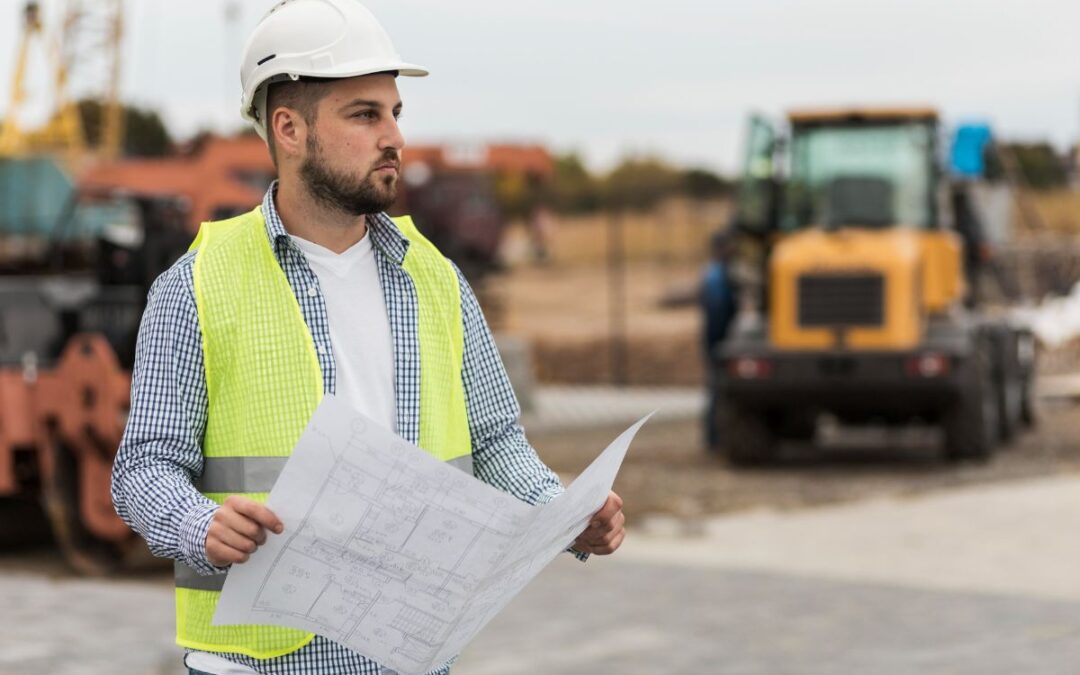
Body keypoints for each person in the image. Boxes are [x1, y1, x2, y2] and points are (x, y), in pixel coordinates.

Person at [110, 2, 625, 674]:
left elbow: (497, 441)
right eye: (365, 114)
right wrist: (196, 524)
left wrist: (563, 514)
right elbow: (142, 466)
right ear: (288, 128)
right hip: (261, 662)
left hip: (412, 653)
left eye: (396, 113)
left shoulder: (437, 279)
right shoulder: (197, 285)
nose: (395, 138)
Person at [700, 229, 739, 453]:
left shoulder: (715, 273)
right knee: (716, 389)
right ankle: (713, 437)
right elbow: (717, 311)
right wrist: (720, 343)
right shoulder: (716, 276)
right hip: (717, 340)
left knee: (715, 388)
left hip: (715, 340)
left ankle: (713, 436)